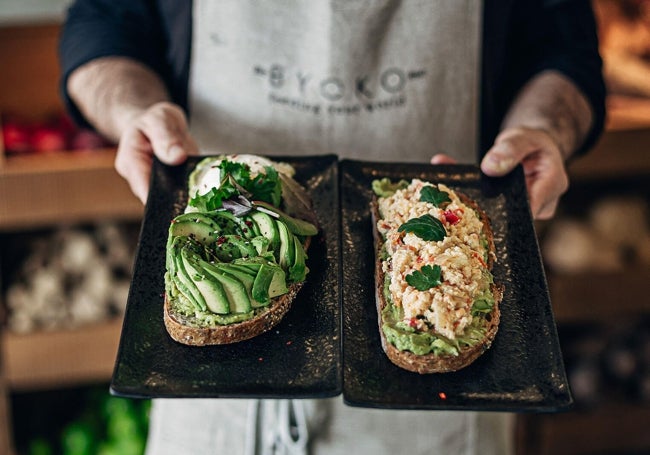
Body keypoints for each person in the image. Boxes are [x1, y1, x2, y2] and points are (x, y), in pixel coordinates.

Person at [59, 1, 606, 454]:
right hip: (212, 393)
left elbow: (565, 50)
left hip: (443, 414)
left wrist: (543, 128)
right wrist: (135, 111)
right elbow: (101, 24)